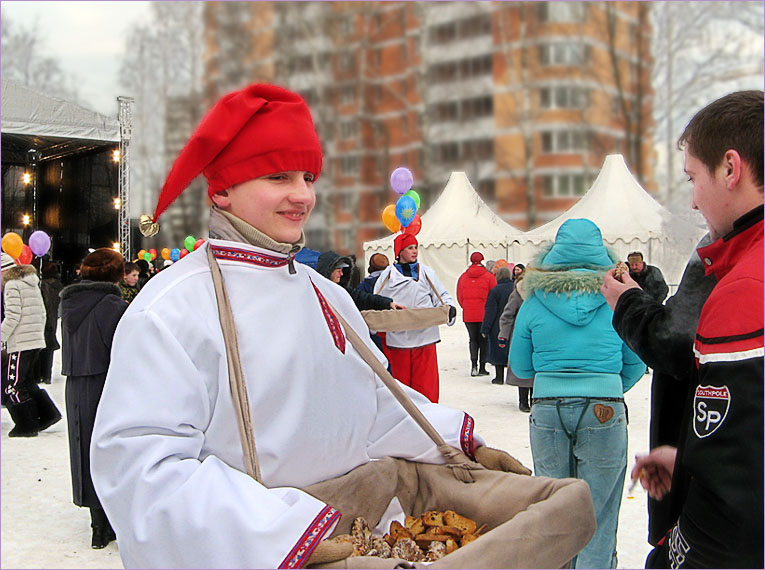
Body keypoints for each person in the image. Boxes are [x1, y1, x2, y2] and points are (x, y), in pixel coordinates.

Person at [90, 84, 530, 569]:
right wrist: (279, 536)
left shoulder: (328, 295)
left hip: (353, 541)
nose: (301, 195)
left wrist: (459, 441)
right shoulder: (172, 310)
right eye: (278, 176)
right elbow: (141, 469)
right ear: (221, 190)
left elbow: (374, 406)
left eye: (307, 176)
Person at [620, 90, 763, 568]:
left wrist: (670, 558)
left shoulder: (745, 287)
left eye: (693, 178)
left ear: (730, 168)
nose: (694, 200)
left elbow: (738, 507)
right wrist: (692, 463)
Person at [509, 218, 645, 568]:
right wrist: (607, 388)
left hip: (548, 410)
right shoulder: (617, 299)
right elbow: (635, 363)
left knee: (555, 507)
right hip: (605, 408)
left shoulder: (534, 301)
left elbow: (520, 367)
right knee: (599, 506)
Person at [601, 234, 716, 546]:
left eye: (695, 181)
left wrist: (630, 305)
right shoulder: (723, 247)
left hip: (710, 511)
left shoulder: (730, 253)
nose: (692, 204)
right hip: (608, 397)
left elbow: (675, 342)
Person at [60, 248, 128, 549]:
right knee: (111, 446)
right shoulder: (112, 305)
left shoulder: (70, 301)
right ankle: (109, 519)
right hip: (107, 380)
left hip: (76, 382)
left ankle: (97, 523)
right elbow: (124, 347)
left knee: (83, 445)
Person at [374, 233, 457, 402]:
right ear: (399, 251)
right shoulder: (387, 276)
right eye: (410, 248)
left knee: (426, 389)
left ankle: (428, 420)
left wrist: (450, 309)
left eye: (416, 247)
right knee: (401, 390)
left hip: (425, 339)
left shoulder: (427, 273)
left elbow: (441, 294)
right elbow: (377, 301)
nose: (415, 251)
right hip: (399, 341)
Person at [1, 252, 62, 437]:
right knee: (27, 381)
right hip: (34, 340)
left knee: (12, 385)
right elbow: (43, 312)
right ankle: (46, 415)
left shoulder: (11, 286)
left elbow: (12, 316)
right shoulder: (31, 282)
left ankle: (26, 424)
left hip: (20, 342)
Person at [316, 250, 402, 311]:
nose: (341, 274)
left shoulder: (343, 291)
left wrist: (387, 303)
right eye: (338, 271)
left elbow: (364, 298)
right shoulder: (315, 293)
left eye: (342, 270)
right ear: (328, 271)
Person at [498, 265, 532, 411]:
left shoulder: (545, 293)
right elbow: (507, 315)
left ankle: (535, 399)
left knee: (537, 369)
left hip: (540, 336)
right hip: (521, 336)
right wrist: (503, 335)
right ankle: (523, 401)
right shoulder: (519, 292)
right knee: (523, 367)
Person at [456, 252, 496, 376]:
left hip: (469, 314)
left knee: (472, 340)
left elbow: (459, 296)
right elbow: (493, 295)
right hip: (484, 313)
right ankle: (482, 367)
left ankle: (473, 365)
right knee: (483, 340)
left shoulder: (463, 277)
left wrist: (466, 307)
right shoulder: (489, 277)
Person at [480, 266, 514, 385]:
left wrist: (485, 328)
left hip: (498, 325)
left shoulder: (495, 291)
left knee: (498, 350)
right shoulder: (516, 289)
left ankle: (499, 377)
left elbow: (490, 311)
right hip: (514, 324)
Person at [37, 260, 63, 384]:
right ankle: (47, 375)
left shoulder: (43, 285)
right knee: (50, 347)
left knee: (40, 347)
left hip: (42, 318)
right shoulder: (59, 286)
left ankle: (38, 374)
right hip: (53, 319)